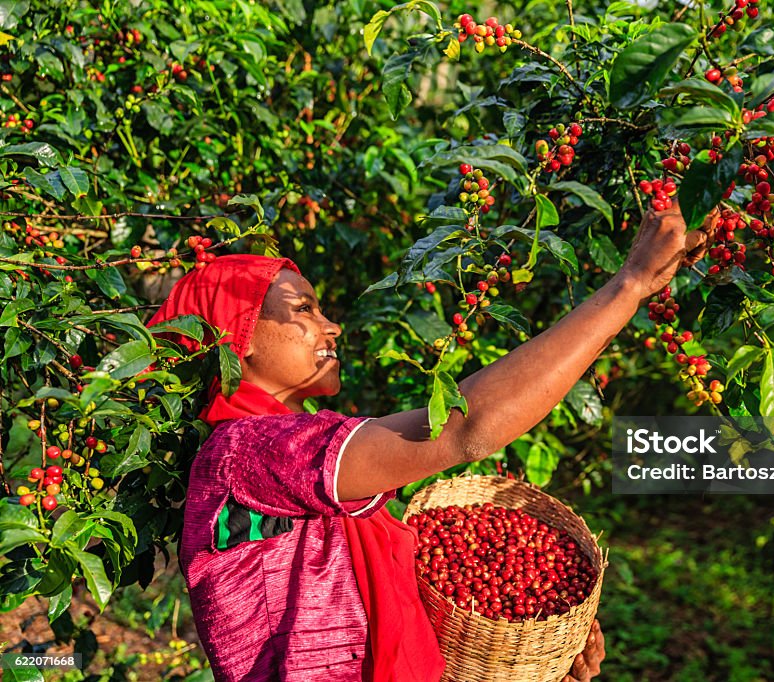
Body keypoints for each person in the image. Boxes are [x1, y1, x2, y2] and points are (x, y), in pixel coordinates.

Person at [146, 198, 709, 681]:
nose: (331, 325)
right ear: (235, 337)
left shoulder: (293, 457)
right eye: (304, 309)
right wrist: (628, 286)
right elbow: (466, 428)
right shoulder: (247, 450)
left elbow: (391, 618)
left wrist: (533, 648)